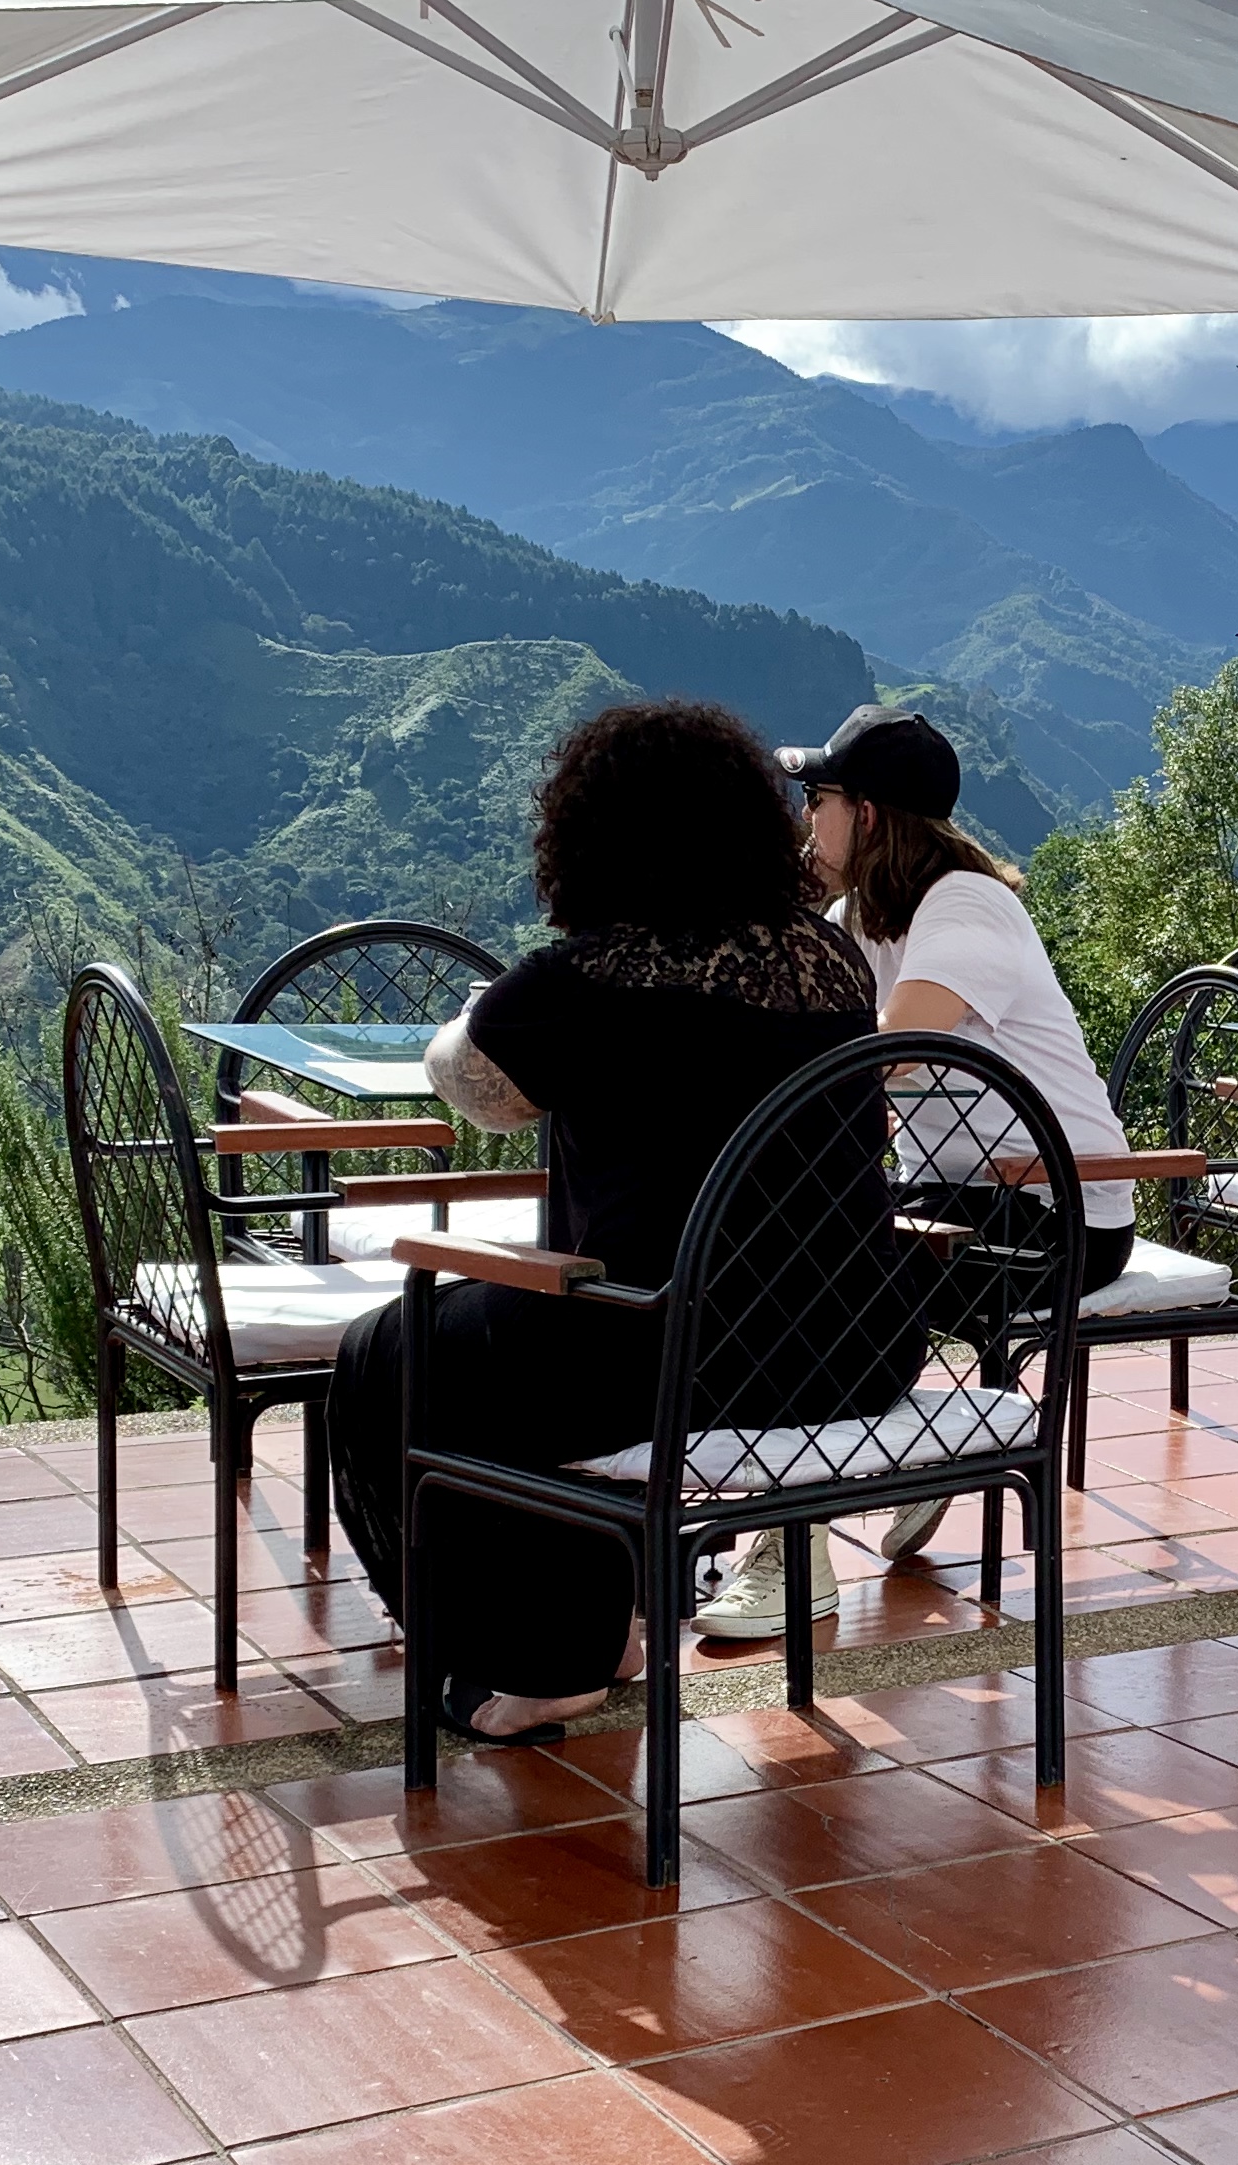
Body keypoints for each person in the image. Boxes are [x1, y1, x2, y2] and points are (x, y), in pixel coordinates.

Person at [325, 698, 904, 1743]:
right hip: (852, 1347)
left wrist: (487, 1003)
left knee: (392, 1355)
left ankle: (538, 1663)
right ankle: (613, 1633)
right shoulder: (832, 964)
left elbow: (479, 1090)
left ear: (589, 835)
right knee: (528, 1353)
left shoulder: (588, 975)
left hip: (675, 1352)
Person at [694, 702, 1136, 1638]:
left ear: (870, 815)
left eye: (817, 798)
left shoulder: (968, 905)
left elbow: (886, 1052)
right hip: (953, 1200)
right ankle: (915, 1448)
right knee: (774, 1254)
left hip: (1057, 1211)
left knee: (811, 1286)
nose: (805, 817)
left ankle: (795, 1544)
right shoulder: (861, 916)